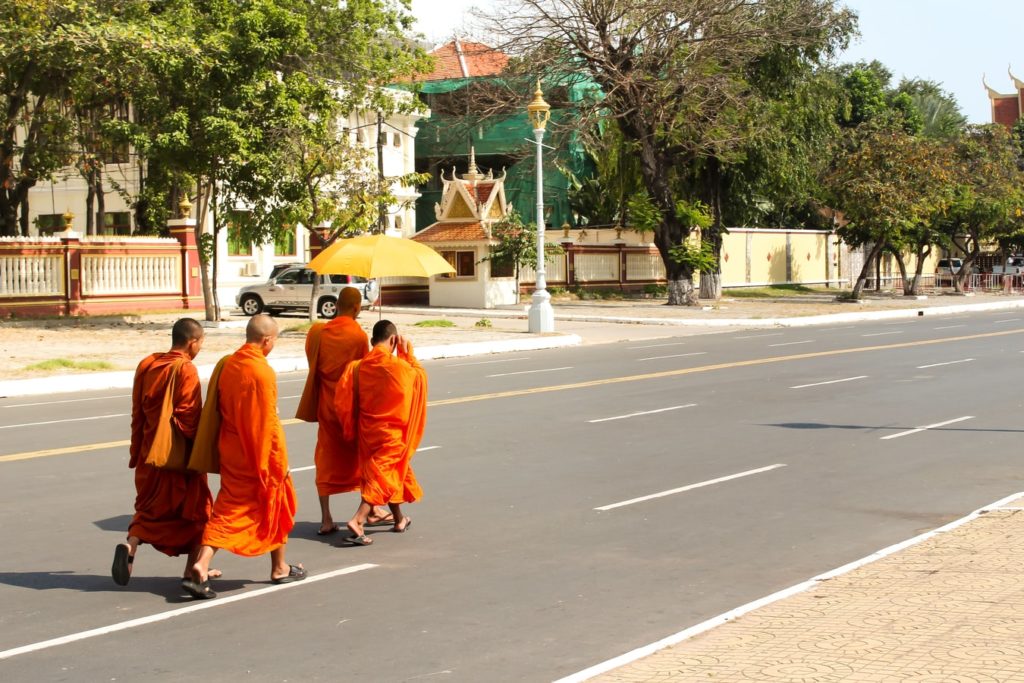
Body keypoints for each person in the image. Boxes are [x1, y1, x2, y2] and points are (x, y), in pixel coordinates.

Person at [183, 314, 304, 599]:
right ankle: (279, 568)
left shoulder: (229, 364)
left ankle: (201, 563)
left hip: (232, 451)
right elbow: (268, 424)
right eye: (274, 340)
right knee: (276, 505)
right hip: (260, 455)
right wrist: (279, 462)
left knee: (227, 511)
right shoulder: (262, 371)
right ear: (267, 340)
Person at [113, 318, 215, 586]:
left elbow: (137, 412)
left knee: (149, 510)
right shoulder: (186, 369)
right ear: (192, 342)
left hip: (150, 453)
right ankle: (192, 569)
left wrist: (136, 451)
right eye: (201, 343)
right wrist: (203, 450)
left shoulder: (148, 364)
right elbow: (188, 417)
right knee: (199, 512)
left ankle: (130, 547)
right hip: (177, 458)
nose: (200, 348)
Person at [295, 288, 392, 534]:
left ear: (337, 305)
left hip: (326, 404)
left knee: (325, 458)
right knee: (363, 456)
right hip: (349, 405)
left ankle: (326, 518)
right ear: (357, 308)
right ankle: (372, 508)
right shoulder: (359, 337)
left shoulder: (317, 332)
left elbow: (313, 361)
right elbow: (364, 371)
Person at [335, 320, 427, 546]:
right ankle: (358, 520)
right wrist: (408, 353)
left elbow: (341, 401)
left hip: (368, 431)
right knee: (383, 475)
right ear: (394, 340)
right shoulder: (398, 366)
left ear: (371, 340)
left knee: (389, 472)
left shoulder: (358, 366)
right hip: (391, 433)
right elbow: (419, 378)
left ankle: (399, 519)